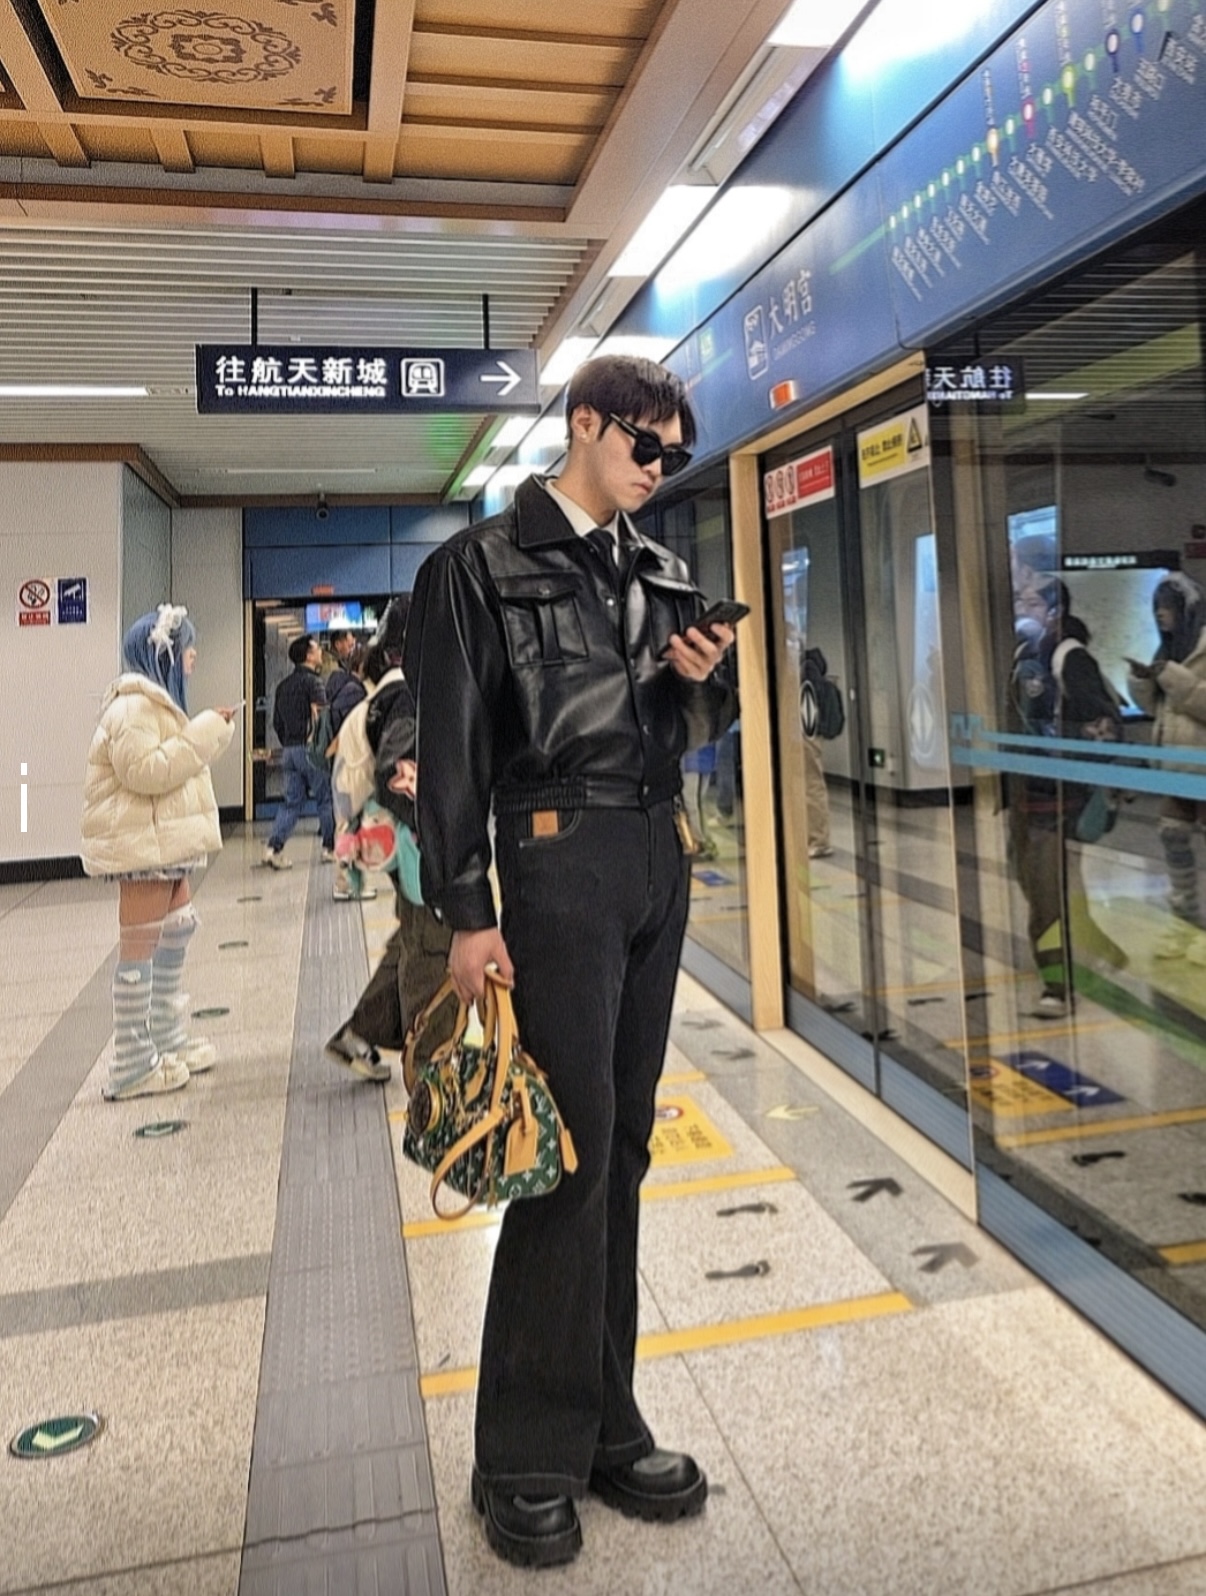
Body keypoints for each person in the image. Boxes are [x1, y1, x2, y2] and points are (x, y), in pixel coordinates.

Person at [404, 355, 736, 1568]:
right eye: (645, 446)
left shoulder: (655, 571)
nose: (658, 469)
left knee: (625, 1147)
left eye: (673, 455)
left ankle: (604, 1424)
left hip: (654, 855)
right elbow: (450, 750)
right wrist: (465, 913)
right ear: (584, 423)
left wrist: (701, 685)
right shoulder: (476, 569)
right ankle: (523, 1457)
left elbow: (680, 732)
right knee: (569, 1151)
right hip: (551, 864)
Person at [81, 604, 237, 1099]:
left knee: (177, 929)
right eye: (187, 647)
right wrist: (204, 734)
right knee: (140, 947)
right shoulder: (132, 708)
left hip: (164, 843)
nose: (193, 656)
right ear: (164, 654)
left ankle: (167, 1038)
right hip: (142, 847)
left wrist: (204, 733)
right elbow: (146, 771)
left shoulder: (156, 706)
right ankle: (130, 1062)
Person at [326, 599, 451, 1079]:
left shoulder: (390, 690)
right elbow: (398, 774)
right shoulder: (408, 692)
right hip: (421, 845)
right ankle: (432, 1073)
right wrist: (438, 832)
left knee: (415, 935)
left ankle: (361, 1032)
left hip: (402, 844)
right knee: (432, 949)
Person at [1010, 579, 1124, 1017]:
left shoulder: (1070, 658)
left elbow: (1103, 724)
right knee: (1045, 889)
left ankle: (1056, 988)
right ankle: (1103, 953)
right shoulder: (1026, 655)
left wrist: (1064, 757)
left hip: (1059, 801)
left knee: (1046, 900)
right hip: (1028, 796)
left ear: (1055, 611)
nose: (1023, 609)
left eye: (1032, 602)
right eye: (1020, 601)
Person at [1127, 573, 1206, 960]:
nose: (1161, 614)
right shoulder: (1168, 649)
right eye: (1156, 607)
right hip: (1176, 766)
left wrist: (1173, 677)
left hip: (1202, 766)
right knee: (1173, 836)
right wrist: (1142, 680)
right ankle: (1185, 921)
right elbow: (1156, 709)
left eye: (1168, 607)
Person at [264, 633, 334, 869]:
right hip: (311, 750)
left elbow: (277, 722)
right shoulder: (314, 683)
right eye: (317, 649)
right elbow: (321, 717)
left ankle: (274, 847)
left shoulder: (283, 686)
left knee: (291, 803)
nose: (321, 651)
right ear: (308, 655)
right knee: (325, 798)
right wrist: (324, 747)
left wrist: (288, 742)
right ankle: (330, 848)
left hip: (290, 751)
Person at [328, 642, 382, 905]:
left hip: (346, 769)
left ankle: (350, 883)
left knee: (350, 827)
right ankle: (346, 883)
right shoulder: (362, 696)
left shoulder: (349, 691)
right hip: (353, 772)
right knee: (351, 828)